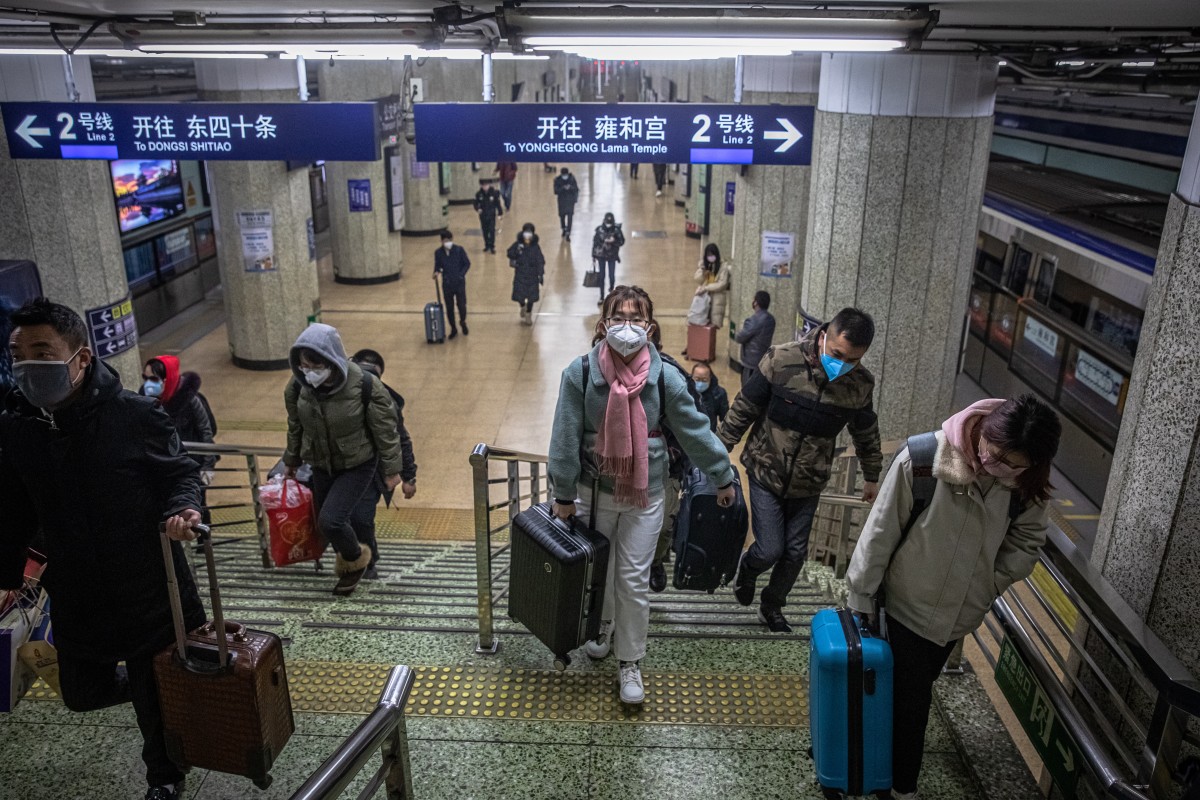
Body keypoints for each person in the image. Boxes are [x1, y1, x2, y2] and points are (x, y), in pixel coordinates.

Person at [0, 298, 206, 800]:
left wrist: (184, 511)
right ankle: (155, 690)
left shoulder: (134, 415)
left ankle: (165, 778)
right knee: (80, 695)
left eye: (42, 351)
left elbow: (179, 474)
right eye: (17, 354)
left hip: (145, 586)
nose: (28, 366)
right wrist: (6, 571)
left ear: (81, 359)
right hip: (75, 591)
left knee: (152, 708)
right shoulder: (19, 426)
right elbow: (14, 504)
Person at [846, 395, 1062, 800]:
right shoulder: (925, 458)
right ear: (984, 432)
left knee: (909, 691)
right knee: (912, 702)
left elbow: (1028, 541)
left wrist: (988, 583)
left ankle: (874, 762)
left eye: (1015, 465)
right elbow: (881, 530)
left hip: (959, 615)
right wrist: (860, 595)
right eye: (996, 454)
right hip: (906, 603)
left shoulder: (1025, 484)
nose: (1001, 468)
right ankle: (900, 786)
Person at [549, 285, 735, 705]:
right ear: (603, 325)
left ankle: (629, 662)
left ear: (650, 327)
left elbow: (694, 431)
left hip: (646, 494)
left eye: (636, 318)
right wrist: (562, 492)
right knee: (602, 571)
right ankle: (605, 625)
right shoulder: (580, 374)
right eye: (618, 318)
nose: (627, 327)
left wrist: (722, 476)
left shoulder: (664, 377)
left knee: (631, 578)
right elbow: (563, 437)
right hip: (591, 493)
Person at [718, 308, 883, 633]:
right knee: (769, 549)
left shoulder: (859, 384)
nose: (843, 365)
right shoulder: (782, 359)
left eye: (852, 360)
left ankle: (771, 606)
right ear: (824, 337)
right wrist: (717, 458)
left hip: (810, 480)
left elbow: (866, 431)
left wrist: (872, 475)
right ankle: (747, 570)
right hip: (765, 469)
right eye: (837, 354)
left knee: (795, 554)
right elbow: (744, 408)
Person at [282, 323, 404, 596]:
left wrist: (394, 470)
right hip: (322, 463)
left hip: (358, 464)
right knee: (327, 523)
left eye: (315, 366)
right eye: (303, 366)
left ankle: (359, 560)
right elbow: (295, 424)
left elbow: (387, 430)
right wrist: (291, 460)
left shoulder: (364, 384)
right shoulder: (299, 385)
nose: (309, 373)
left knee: (331, 520)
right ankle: (350, 568)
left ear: (332, 361)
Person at [648, 359, 729, 593]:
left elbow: (696, 431)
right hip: (627, 472)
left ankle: (656, 562)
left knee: (664, 526)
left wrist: (719, 470)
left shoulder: (673, 381)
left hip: (669, 468)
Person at [349, 349, 419, 580]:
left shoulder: (384, 399)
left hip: (372, 472)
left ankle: (368, 562)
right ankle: (353, 556)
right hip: (337, 468)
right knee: (336, 519)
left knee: (361, 518)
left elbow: (400, 438)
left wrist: (409, 477)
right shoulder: (337, 393)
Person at [433, 230, 471, 339]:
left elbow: (467, 263)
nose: (447, 242)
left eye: (448, 240)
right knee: (449, 307)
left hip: (459, 283)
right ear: (441, 241)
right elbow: (438, 266)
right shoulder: (438, 253)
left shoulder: (459, 250)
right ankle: (453, 328)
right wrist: (436, 272)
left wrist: (461, 275)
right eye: (444, 240)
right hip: (447, 284)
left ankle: (463, 321)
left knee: (461, 305)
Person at [735, 290, 776, 387]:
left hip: (750, 362)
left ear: (756, 302)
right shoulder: (771, 319)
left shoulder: (753, 320)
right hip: (763, 359)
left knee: (747, 388)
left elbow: (739, 338)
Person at [508, 222, 546, 326]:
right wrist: (517, 251)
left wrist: (541, 274)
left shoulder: (535, 247)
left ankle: (528, 313)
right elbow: (509, 253)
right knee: (519, 295)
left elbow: (540, 261)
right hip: (520, 274)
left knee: (531, 297)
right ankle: (522, 306)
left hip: (532, 275)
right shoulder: (518, 244)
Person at [694, 243, 733, 331]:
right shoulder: (704, 265)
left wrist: (706, 288)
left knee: (713, 326)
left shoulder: (723, 267)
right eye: (708, 255)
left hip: (717, 300)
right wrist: (702, 270)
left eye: (712, 255)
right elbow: (697, 279)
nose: (710, 257)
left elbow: (722, 284)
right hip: (705, 299)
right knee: (702, 323)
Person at [592, 212, 626, 304]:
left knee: (611, 276)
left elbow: (622, 241)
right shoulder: (599, 230)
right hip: (601, 256)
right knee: (602, 276)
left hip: (612, 256)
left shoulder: (616, 230)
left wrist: (614, 241)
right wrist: (594, 256)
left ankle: (611, 288)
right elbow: (595, 243)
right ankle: (602, 296)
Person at [691, 362, 729, 432]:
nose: (700, 383)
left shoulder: (719, 394)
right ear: (692, 377)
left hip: (709, 432)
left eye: (704, 380)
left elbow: (725, 419)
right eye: (697, 379)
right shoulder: (686, 391)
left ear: (710, 378)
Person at [473, 178, 504, 254]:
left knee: (491, 230)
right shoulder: (479, 194)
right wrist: (478, 209)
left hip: (491, 215)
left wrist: (500, 213)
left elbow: (497, 203)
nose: (485, 187)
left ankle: (492, 246)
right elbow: (475, 203)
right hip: (483, 215)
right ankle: (487, 245)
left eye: (486, 185)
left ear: (489, 185)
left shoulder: (494, 193)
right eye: (483, 185)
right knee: (485, 230)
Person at [553, 167, 579, 241]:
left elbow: (576, 189)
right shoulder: (557, 180)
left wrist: (570, 188)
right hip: (562, 201)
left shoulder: (572, 179)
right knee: (562, 216)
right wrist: (563, 188)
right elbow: (555, 191)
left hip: (570, 201)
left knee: (570, 216)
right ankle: (563, 228)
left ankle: (568, 232)